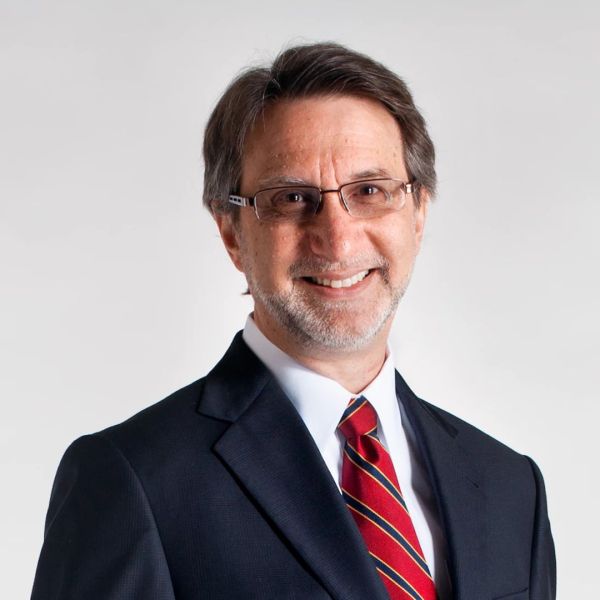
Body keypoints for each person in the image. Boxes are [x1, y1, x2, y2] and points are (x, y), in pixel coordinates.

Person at [31, 43, 556, 600]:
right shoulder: (133, 481)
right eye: (292, 199)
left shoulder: (509, 486)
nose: (337, 237)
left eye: (370, 191)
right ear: (232, 233)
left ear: (419, 212)